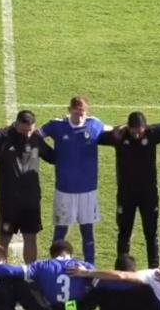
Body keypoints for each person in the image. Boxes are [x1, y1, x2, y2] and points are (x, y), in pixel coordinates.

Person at [98, 111, 160, 268]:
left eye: (139, 129)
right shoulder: (120, 136)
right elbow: (96, 137)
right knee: (124, 232)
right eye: (133, 129)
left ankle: (153, 269)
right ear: (128, 127)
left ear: (144, 127)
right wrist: (113, 132)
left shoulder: (152, 134)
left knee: (151, 233)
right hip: (125, 194)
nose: (137, 133)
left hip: (149, 194)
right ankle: (122, 268)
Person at [39, 97, 109, 265]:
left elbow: (115, 132)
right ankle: (54, 266)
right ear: (69, 110)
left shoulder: (94, 124)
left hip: (88, 190)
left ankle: (90, 267)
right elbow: (35, 135)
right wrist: (50, 155)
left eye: (82, 112)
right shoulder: (57, 125)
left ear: (87, 111)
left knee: (87, 231)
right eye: (76, 111)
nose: (79, 115)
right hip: (64, 189)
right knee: (60, 230)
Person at [0, 110, 54, 264]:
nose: (27, 134)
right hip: (8, 199)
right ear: (17, 123)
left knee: (30, 237)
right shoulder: (2, 138)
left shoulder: (36, 138)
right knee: (4, 237)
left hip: (30, 199)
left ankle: (31, 273)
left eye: (30, 130)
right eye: (24, 130)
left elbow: (54, 157)